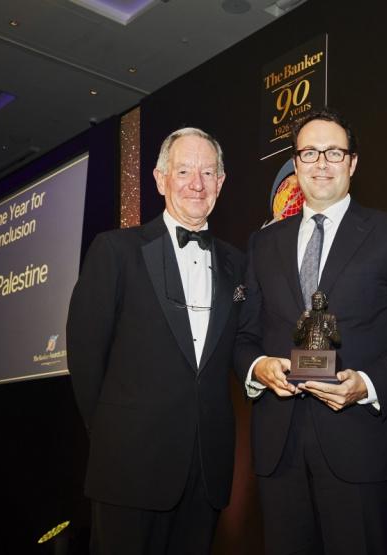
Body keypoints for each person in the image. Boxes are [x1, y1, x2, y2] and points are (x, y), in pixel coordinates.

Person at [235, 108, 387, 554]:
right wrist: (258, 367)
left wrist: (368, 384)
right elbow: (244, 336)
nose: (321, 163)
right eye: (310, 153)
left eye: (334, 152)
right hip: (279, 450)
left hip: (362, 446)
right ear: (295, 163)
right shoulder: (263, 243)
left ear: (352, 162)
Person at [66, 127, 244, 554]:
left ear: (221, 183)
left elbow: (239, 350)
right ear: (160, 179)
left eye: (208, 172)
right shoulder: (115, 251)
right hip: (129, 465)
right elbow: (86, 357)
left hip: (205, 471)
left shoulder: (239, 264)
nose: (197, 183)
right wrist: (115, 435)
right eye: (183, 171)